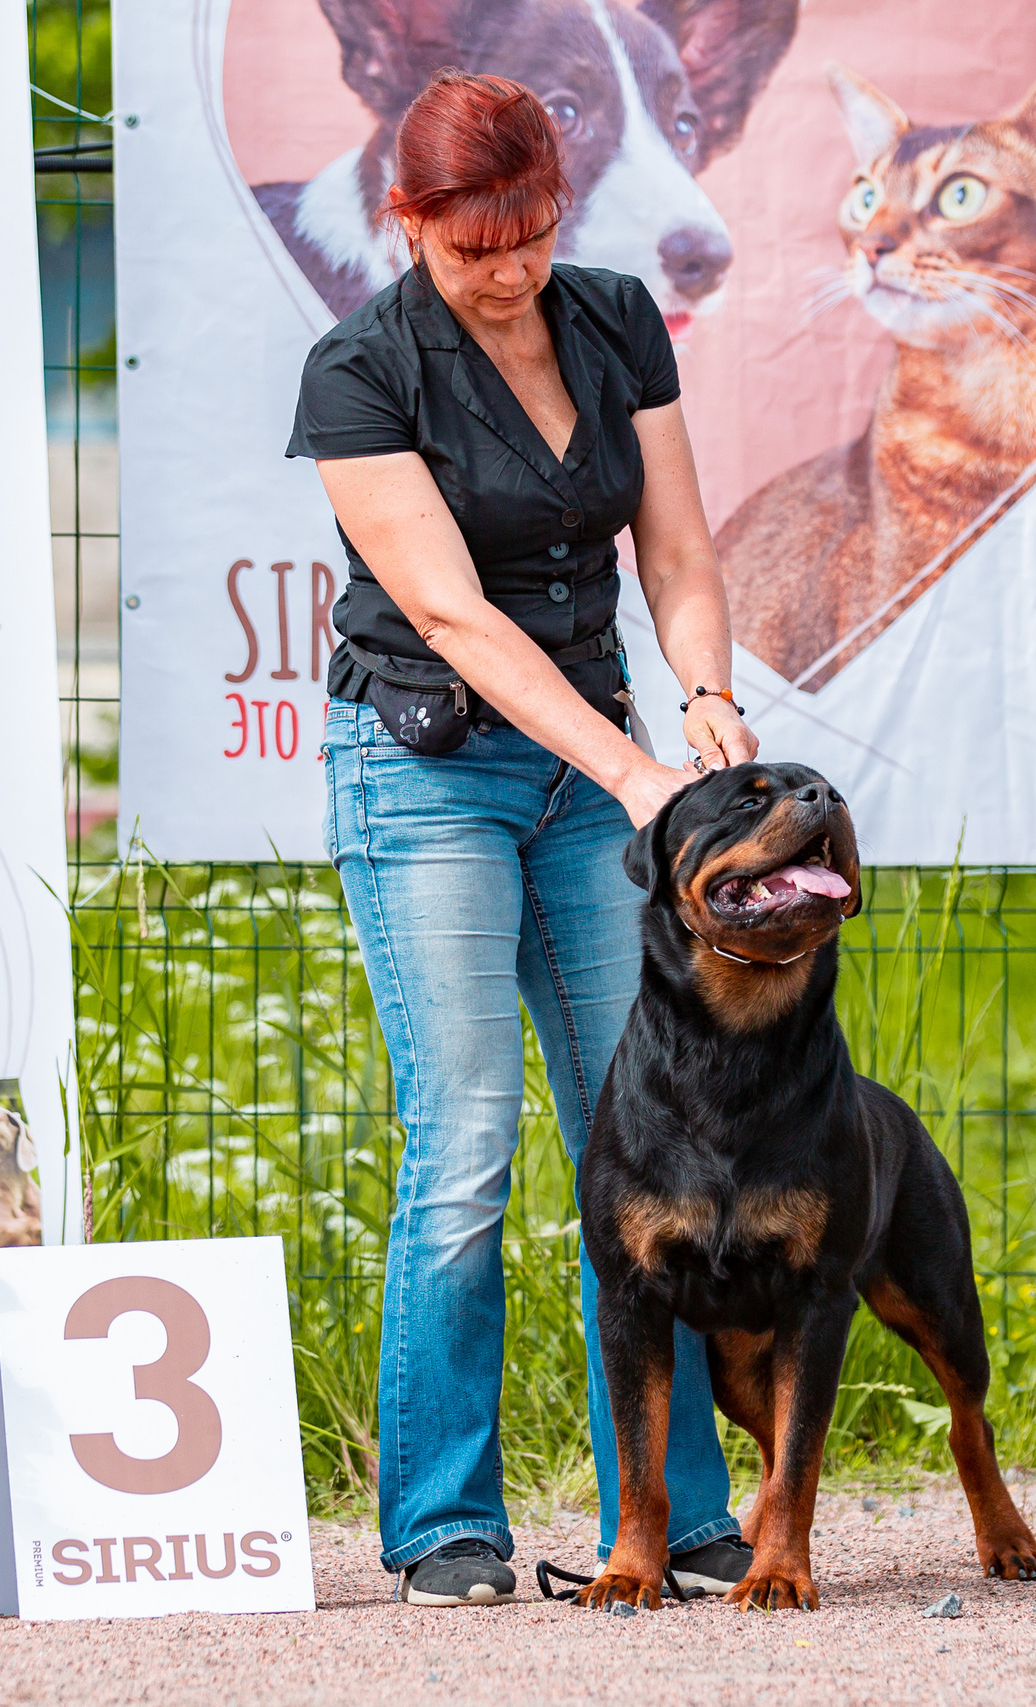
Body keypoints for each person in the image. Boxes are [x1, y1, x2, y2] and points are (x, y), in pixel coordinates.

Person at [288, 70, 762, 1606]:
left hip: (600, 766)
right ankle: (443, 1525)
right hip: (425, 771)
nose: (508, 271)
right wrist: (640, 780)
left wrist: (703, 695)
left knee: (650, 1147)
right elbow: (451, 614)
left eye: (531, 234)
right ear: (404, 219)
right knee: (466, 1144)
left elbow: (678, 546)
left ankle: (678, 1514)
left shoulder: (616, 314)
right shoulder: (358, 369)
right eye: (471, 244)